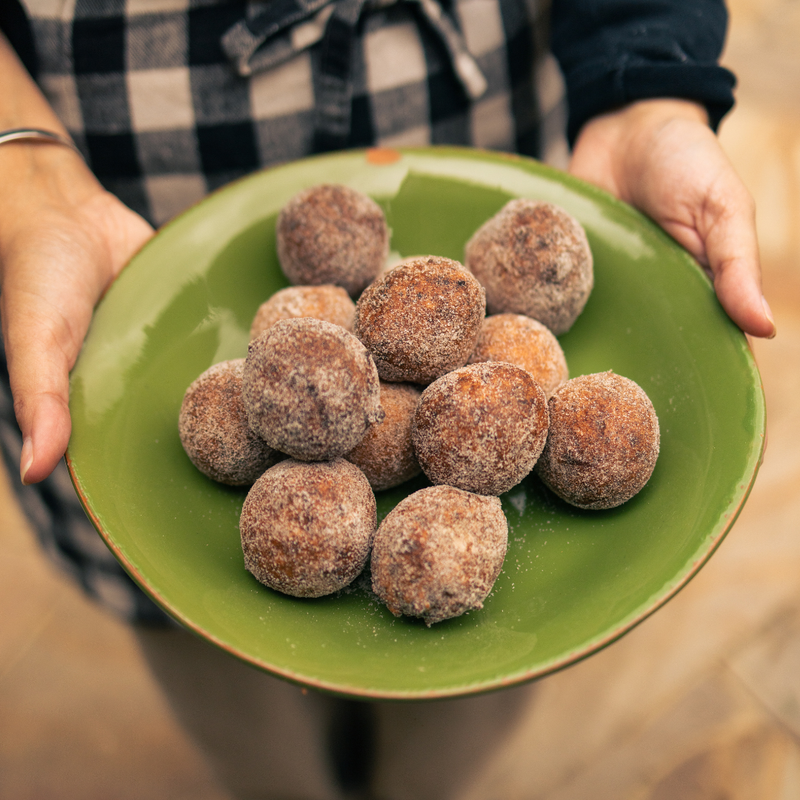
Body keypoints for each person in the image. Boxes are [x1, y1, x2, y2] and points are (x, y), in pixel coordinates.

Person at [0, 1, 777, 798]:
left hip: (481, 85)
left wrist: (648, 78)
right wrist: (21, 166)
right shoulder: (320, 361)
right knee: (214, 670)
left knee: (464, 711)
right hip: (120, 151)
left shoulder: (483, 361)